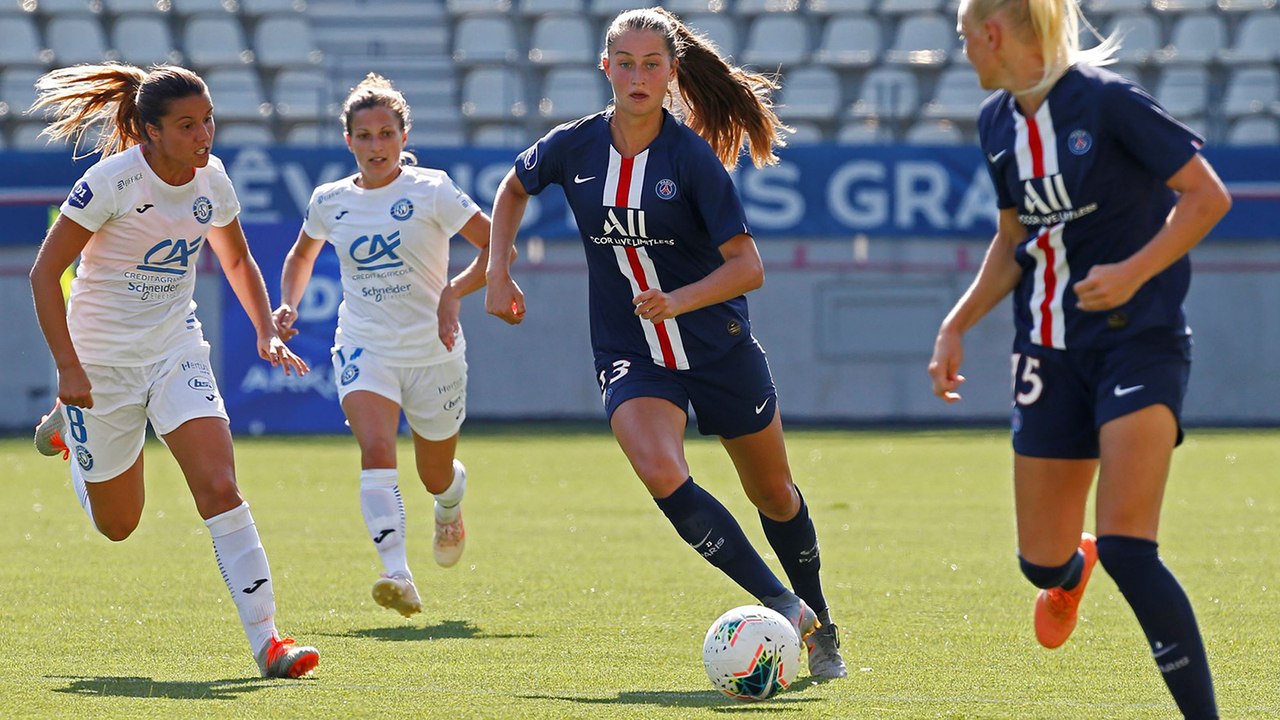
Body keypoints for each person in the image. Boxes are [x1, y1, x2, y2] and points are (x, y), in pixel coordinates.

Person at [484, 7, 847, 679]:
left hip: (717, 345)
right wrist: (498, 268)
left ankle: (822, 623)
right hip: (633, 348)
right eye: (625, 62)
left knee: (775, 495)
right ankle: (780, 603)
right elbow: (513, 186)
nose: (637, 75)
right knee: (658, 468)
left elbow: (749, 267)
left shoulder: (693, 159)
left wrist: (677, 300)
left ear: (672, 73)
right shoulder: (575, 146)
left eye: (652, 64)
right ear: (605, 69)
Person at [929, 1, 1231, 716]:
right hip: (1046, 352)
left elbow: (1206, 197)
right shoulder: (997, 122)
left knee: (1132, 547)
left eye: (966, 39)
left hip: (1139, 339)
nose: (964, 53)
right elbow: (1013, 240)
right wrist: (956, 323)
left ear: (994, 36)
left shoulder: (1107, 102)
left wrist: (1132, 270)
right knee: (1039, 560)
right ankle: (1071, 569)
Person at [28, 63, 320, 679]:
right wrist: (67, 368)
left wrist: (266, 330)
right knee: (118, 525)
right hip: (99, 365)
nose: (203, 134)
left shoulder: (212, 179)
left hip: (175, 352)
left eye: (207, 119)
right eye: (187, 125)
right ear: (149, 132)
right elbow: (42, 275)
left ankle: (270, 642)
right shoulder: (109, 183)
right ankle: (71, 432)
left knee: (219, 488)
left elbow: (236, 259)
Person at [272, 74, 492, 619]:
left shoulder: (433, 189)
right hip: (364, 345)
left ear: (402, 136)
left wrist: (454, 292)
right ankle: (396, 571)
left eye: (386, 134)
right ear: (348, 140)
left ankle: (450, 499)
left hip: (433, 352)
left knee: (434, 474)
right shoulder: (330, 200)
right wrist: (289, 305)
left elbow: (497, 245)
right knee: (376, 450)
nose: (376, 146)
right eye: (364, 136)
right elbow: (302, 256)